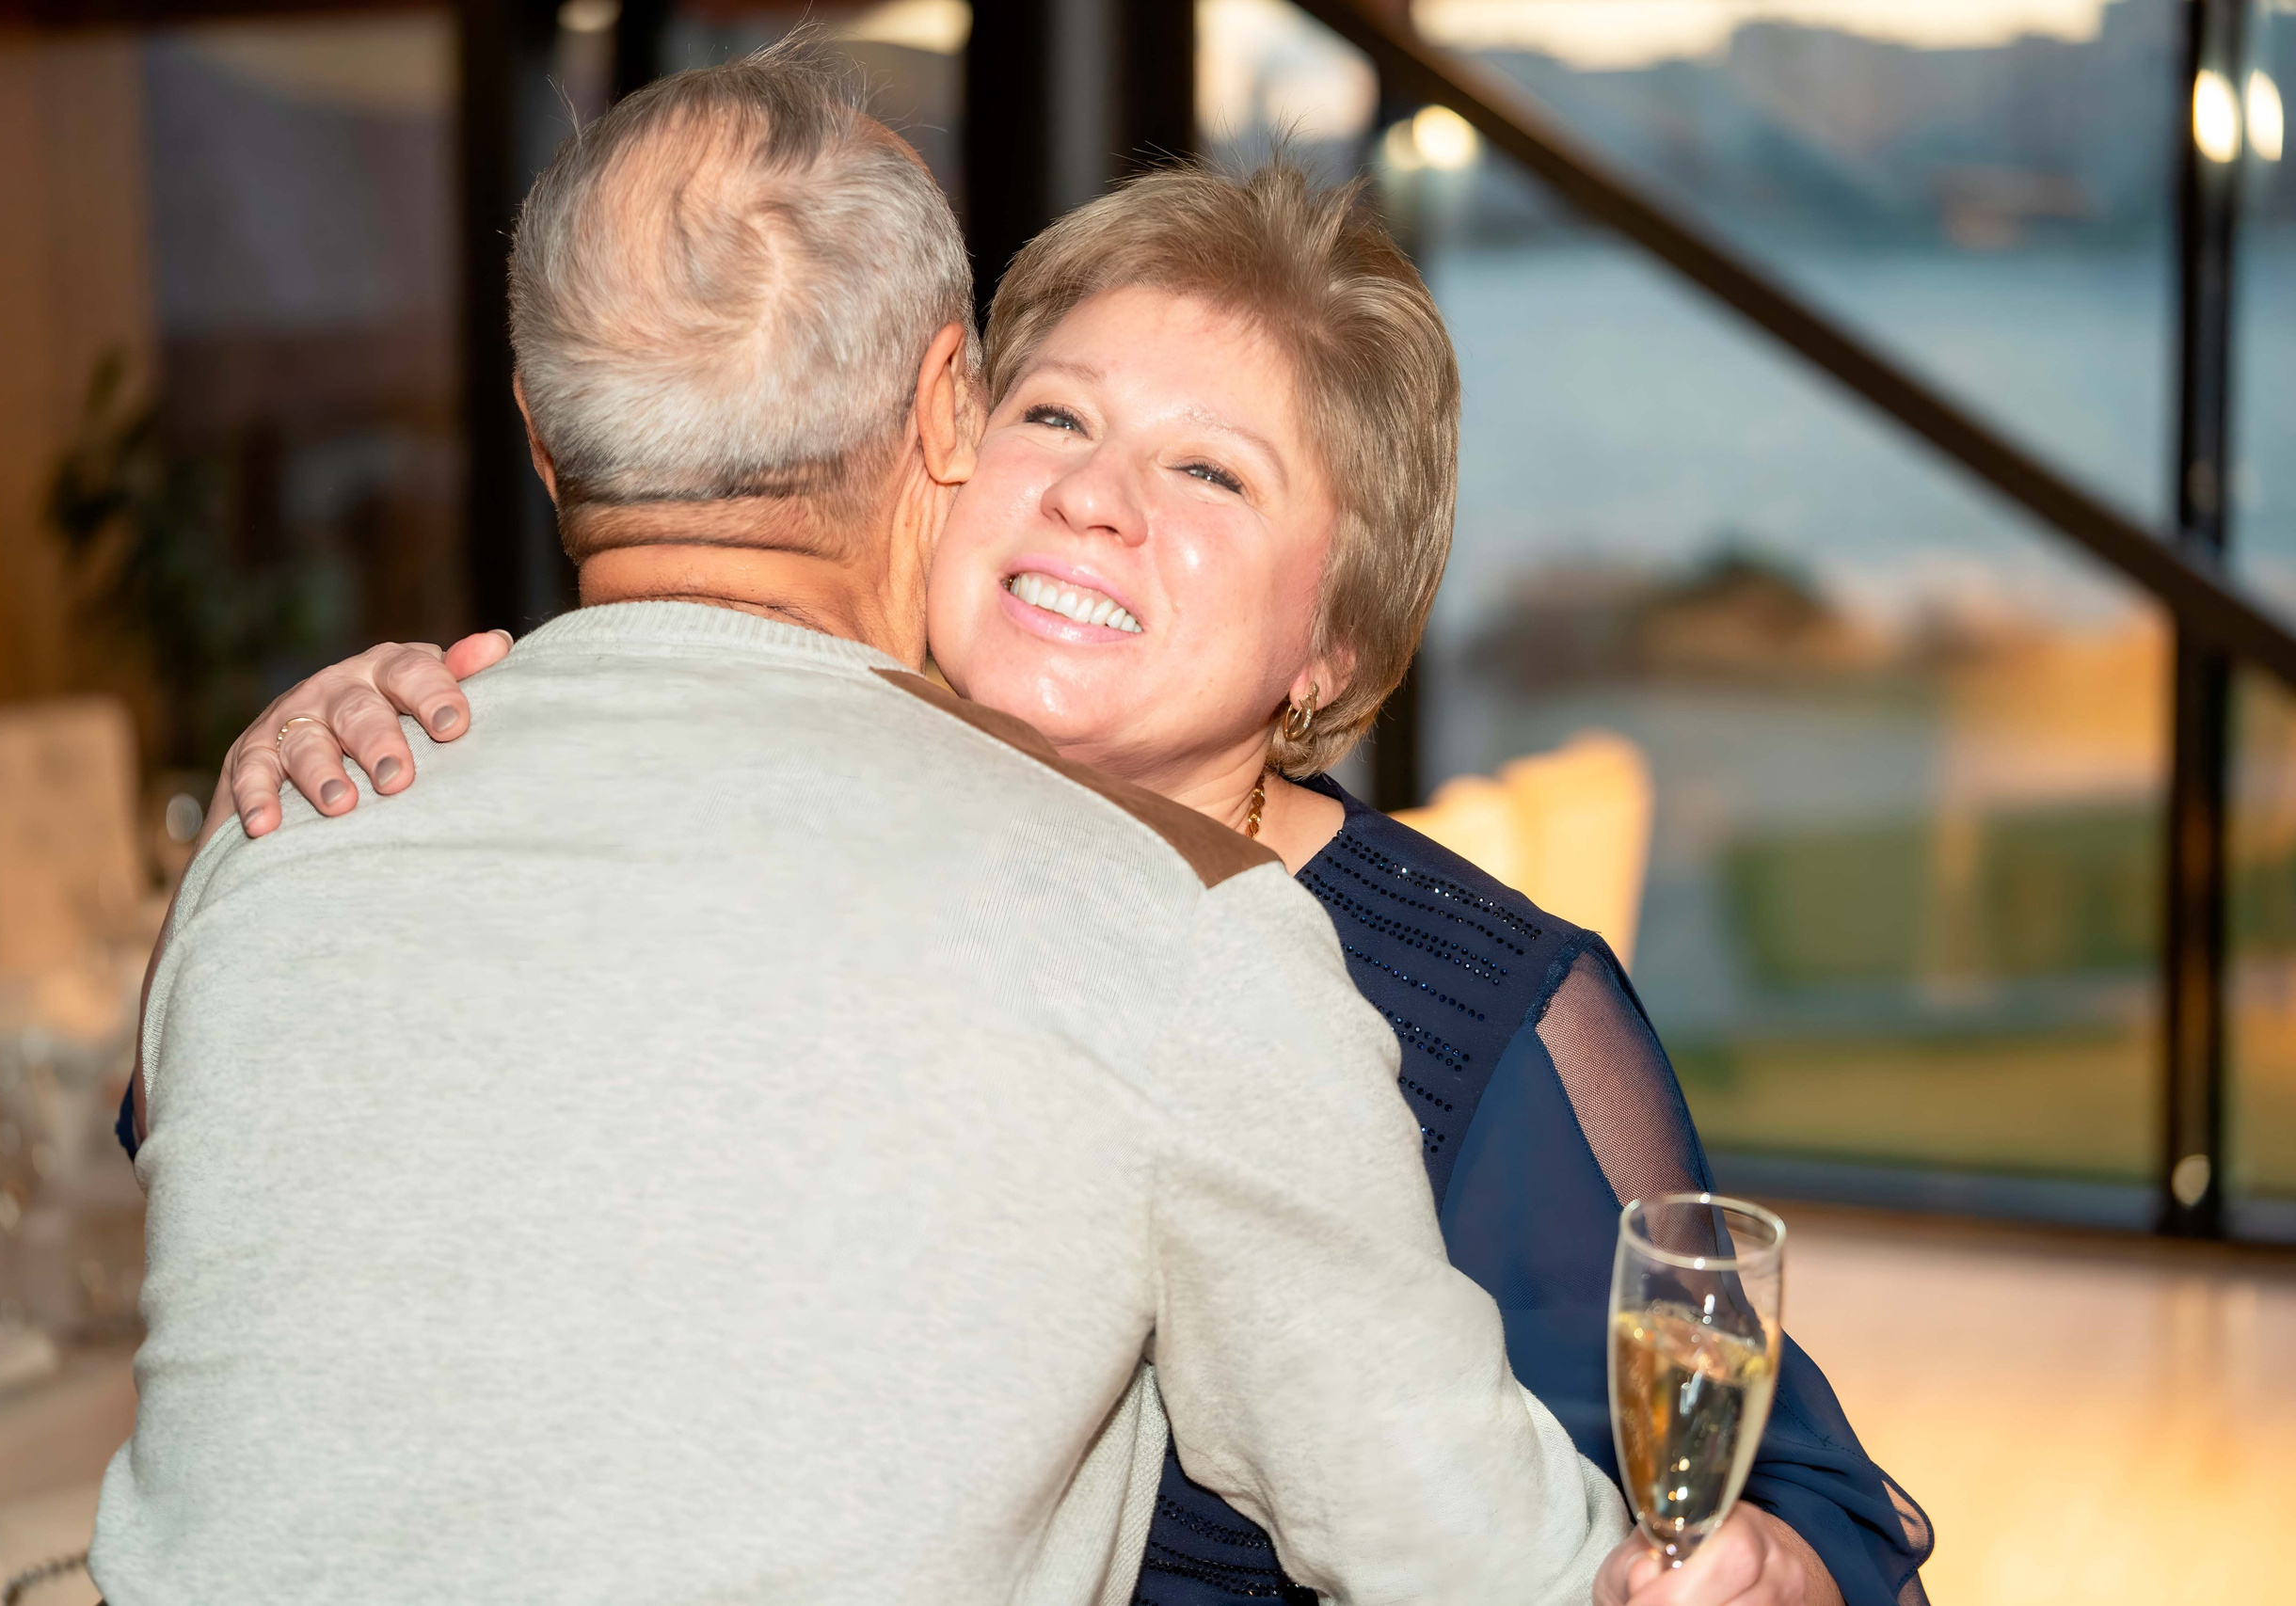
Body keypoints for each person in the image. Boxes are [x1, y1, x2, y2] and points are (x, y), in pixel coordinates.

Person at [172, 87, 1934, 1606]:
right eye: (1057, 418)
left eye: (1213, 475)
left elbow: (1781, 1500)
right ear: (941, 438)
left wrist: (1763, 1569)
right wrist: (358, 770)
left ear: (1331, 644)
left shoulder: (1459, 1008)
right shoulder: (778, 827)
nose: (1098, 499)